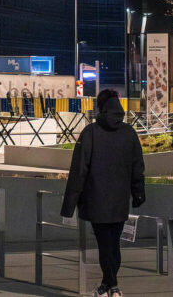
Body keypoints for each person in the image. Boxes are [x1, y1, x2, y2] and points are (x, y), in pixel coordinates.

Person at [61, 89, 146, 297]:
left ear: (100, 107)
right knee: (114, 243)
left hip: (95, 199)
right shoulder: (129, 133)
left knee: (104, 245)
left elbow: (78, 170)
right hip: (119, 200)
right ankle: (109, 286)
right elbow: (138, 167)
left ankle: (111, 285)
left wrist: (69, 205)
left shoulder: (90, 133)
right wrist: (138, 194)